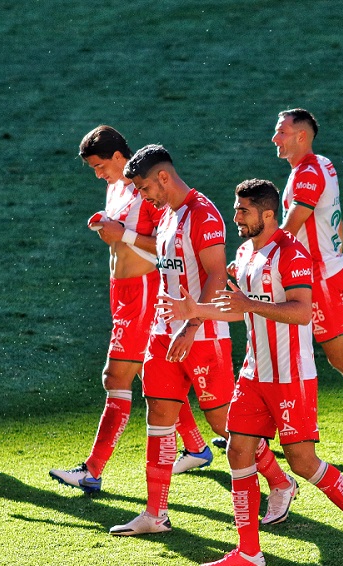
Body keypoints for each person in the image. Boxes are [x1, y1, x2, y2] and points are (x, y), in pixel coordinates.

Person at [157, 179, 343, 566]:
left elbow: (302, 312)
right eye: (236, 209)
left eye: (243, 211)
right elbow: (238, 309)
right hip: (254, 374)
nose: (236, 217)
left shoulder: (292, 255)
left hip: (291, 376)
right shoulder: (244, 254)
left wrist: (247, 303)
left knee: (302, 461)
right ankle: (248, 549)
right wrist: (196, 312)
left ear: (267, 214)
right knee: (237, 450)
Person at [110, 148, 294, 536]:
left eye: (144, 188)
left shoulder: (204, 214)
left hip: (204, 336)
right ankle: (155, 514)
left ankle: (280, 482)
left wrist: (191, 324)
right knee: (158, 413)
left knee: (225, 422)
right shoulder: (166, 215)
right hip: (165, 333)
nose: (143, 197)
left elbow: (213, 275)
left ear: (163, 178)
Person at [48, 126, 217, 494]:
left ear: (119, 157)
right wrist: (108, 228)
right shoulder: (115, 189)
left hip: (143, 291)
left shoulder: (147, 193)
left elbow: (165, 244)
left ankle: (92, 470)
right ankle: (197, 447)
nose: (98, 174)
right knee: (149, 374)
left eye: (100, 166)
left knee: (117, 376)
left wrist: (120, 234)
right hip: (122, 290)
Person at [271, 108, 343, 393]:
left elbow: (291, 225)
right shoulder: (322, 164)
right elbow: (338, 220)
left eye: (282, 132)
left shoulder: (308, 173)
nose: (275, 138)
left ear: (301, 136)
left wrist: (258, 256)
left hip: (318, 276)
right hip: (318, 271)